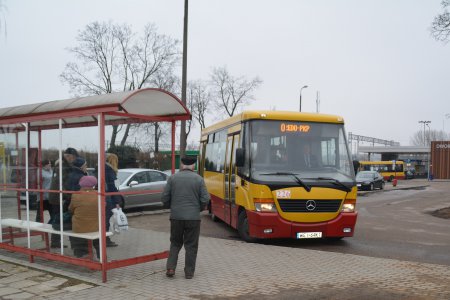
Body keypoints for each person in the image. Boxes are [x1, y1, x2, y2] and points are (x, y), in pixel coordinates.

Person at [161, 155, 210, 279]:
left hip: (176, 217)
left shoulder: (172, 178)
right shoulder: (199, 179)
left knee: (175, 243)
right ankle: (189, 272)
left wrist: (171, 207)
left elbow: (164, 198)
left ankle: (171, 268)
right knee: (191, 245)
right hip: (193, 218)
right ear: (193, 166)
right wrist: (198, 209)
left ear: (182, 165)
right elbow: (205, 198)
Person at [48, 147, 79, 248]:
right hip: (58, 197)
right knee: (57, 218)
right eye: (73, 157)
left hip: (57, 196)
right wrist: (68, 196)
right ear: (68, 156)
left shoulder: (63, 165)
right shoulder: (62, 166)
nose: (74, 159)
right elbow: (61, 183)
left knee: (57, 218)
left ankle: (55, 241)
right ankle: (55, 242)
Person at [69, 175, 100, 259]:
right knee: (98, 239)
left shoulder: (75, 195)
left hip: (79, 228)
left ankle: (80, 254)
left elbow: (70, 209)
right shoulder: (99, 195)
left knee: (74, 232)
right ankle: (100, 256)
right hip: (95, 227)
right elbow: (104, 207)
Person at [104, 153, 121, 247]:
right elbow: (114, 188)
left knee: (104, 219)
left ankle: (103, 238)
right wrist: (117, 202)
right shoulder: (110, 171)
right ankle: (105, 239)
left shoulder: (103, 169)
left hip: (105, 197)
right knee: (106, 220)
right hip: (109, 198)